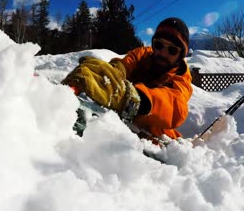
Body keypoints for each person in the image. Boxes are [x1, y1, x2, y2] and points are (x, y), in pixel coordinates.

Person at [62, 17, 193, 142]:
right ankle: (63, 96)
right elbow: (124, 66)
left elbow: (177, 107)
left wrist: (133, 99)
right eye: (159, 45)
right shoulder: (143, 55)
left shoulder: (181, 76)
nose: (163, 53)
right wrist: (107, 74)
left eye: (172, 50)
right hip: (122, 122)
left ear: (181, 55)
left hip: (154, 135)